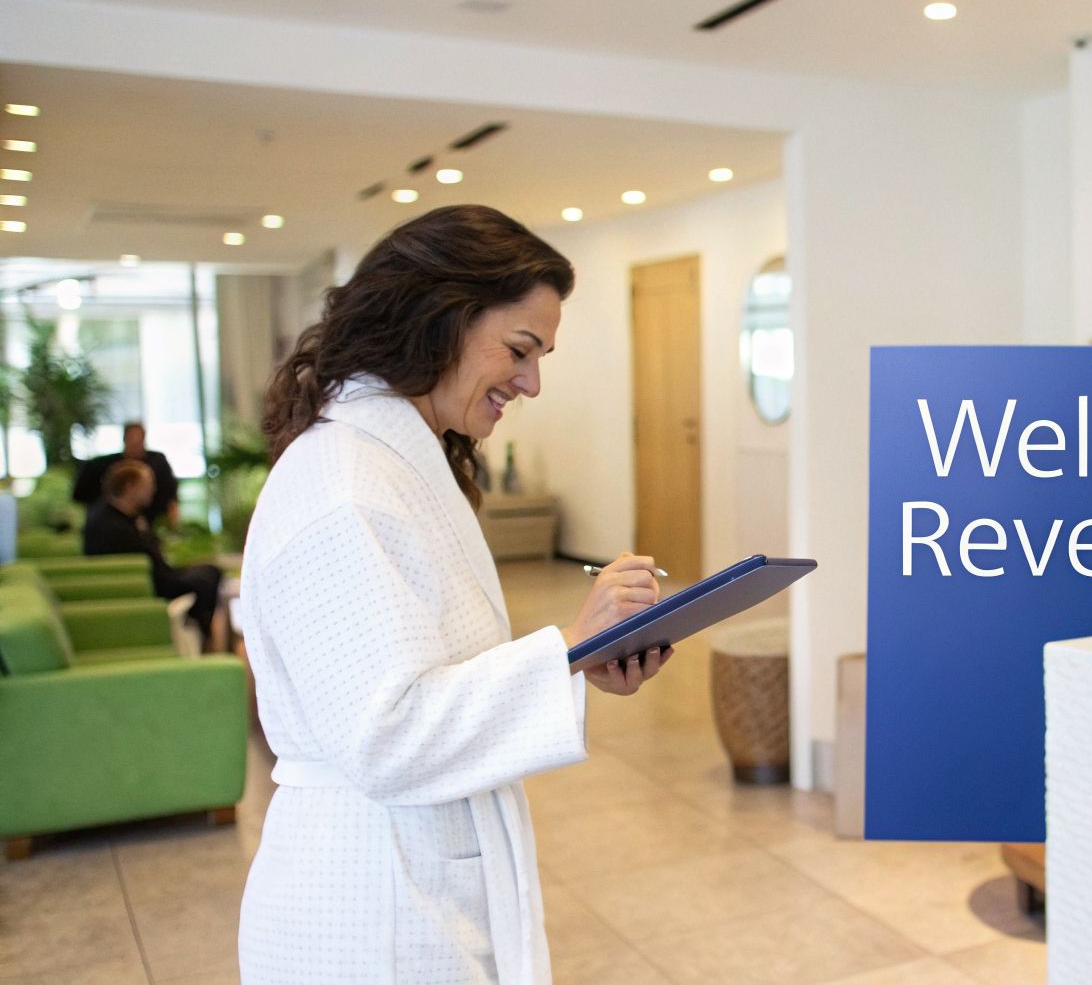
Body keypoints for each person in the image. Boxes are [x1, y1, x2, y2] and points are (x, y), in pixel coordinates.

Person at [237, 205, 672, 984]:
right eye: (519, 349)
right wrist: (566, 649)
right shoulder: (343, 483)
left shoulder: (400, 464)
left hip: (413, 868)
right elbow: (387, 734)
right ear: (438, 318)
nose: (532, 382)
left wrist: (581, 660)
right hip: (372, 901)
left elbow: (427, 671)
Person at [81, 458, 224, 647]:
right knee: (207, 577)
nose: (153, 490)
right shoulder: (112, 527)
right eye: (148, 485)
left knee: (208, 571)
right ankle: (205, 638)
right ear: (130, 487)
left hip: (153, 574)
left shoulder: (120, 515)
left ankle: (200, 631)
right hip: (146, 582)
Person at [72, 421, 182, 529]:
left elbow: (170, 494)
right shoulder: (103, 466)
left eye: (138, 441)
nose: (135, 446)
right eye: (132, 441)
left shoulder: (157, 463)